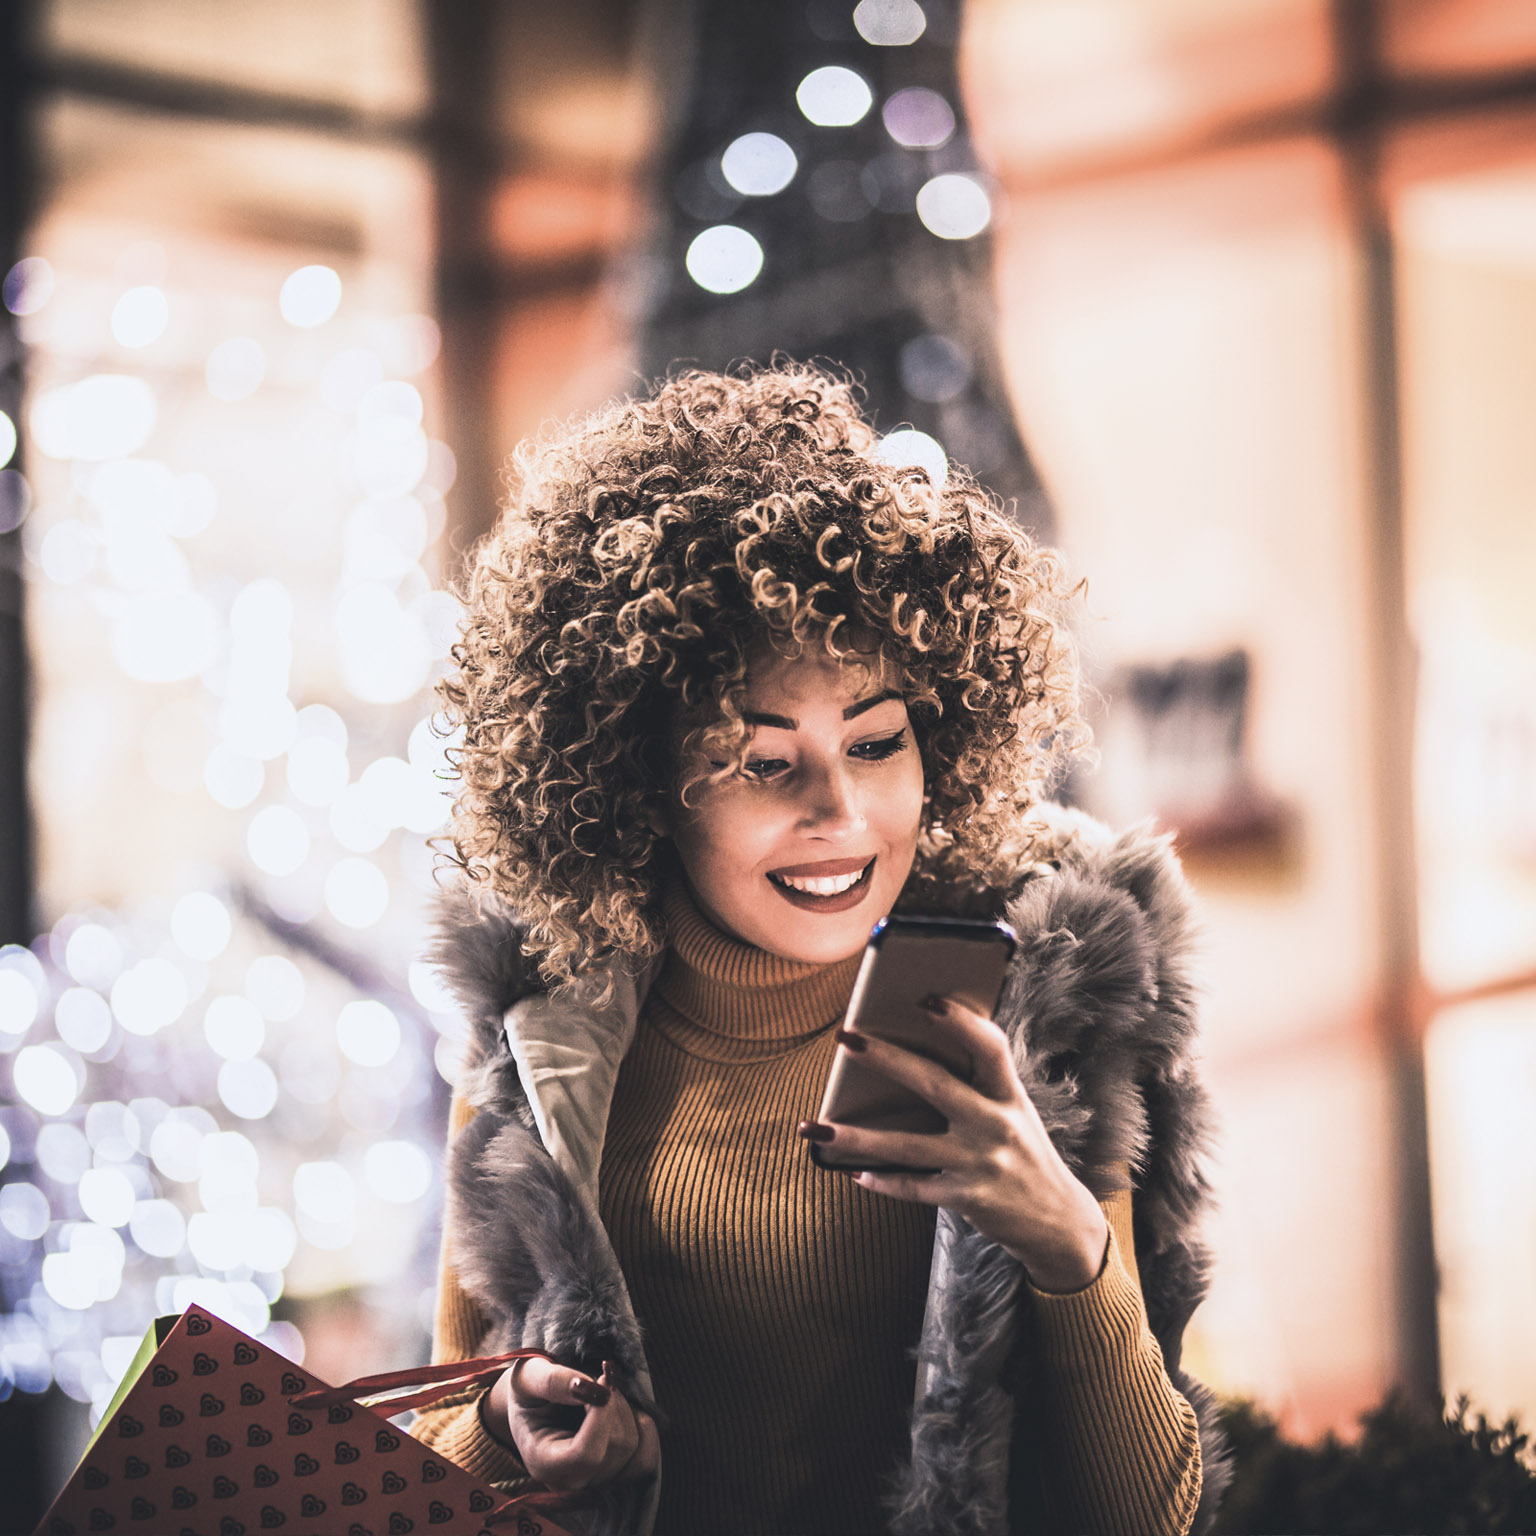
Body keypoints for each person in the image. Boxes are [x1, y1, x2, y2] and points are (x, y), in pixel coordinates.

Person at [409, 364, 1226, 1536]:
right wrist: (508, 1422)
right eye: (763, 759)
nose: (841, 812)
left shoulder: (1040, 1005)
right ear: (643, 776)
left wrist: (1065, 1236)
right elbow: (443, 1444)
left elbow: (1150, 1520)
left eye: (879, 742)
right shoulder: (542, 1033)